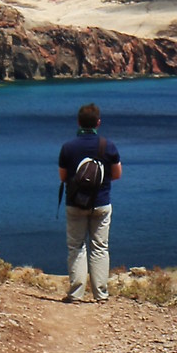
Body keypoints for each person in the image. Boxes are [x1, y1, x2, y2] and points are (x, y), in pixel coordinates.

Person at [57, 101, 122, 302]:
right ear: (98, 123)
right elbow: (117, 174)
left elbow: (62, 177)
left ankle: (76, 293)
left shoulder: (68, 147)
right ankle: (101, 294)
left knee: (76, 247)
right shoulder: (108, 146)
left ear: (78, 122)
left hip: (75, 204)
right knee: (100, 247)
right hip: (101, 203)